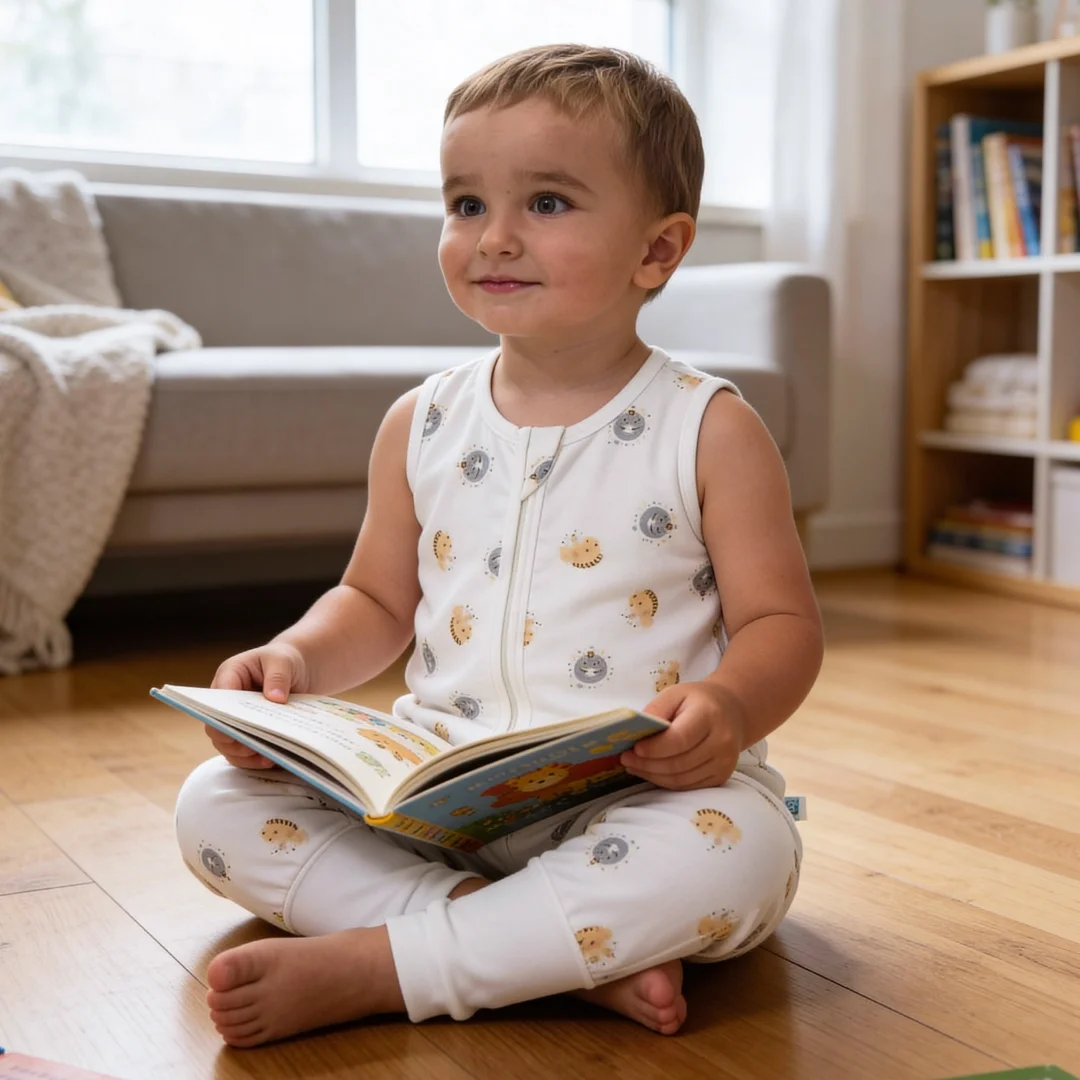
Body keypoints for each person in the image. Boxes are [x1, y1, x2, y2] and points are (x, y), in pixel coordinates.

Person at [173, 43, 823, 1049]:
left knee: (739, 854)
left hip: (639, 796)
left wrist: (730, 710)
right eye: (466, 203)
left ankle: (388, 963)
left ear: (658, 251)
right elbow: (376, 602)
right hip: (440, 793)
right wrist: (295, 661)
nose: (494, 238)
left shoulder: (711, 426)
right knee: (212, 805)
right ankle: (545, 959)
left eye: (548, 204)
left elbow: (782, 623)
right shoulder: (419, 421)